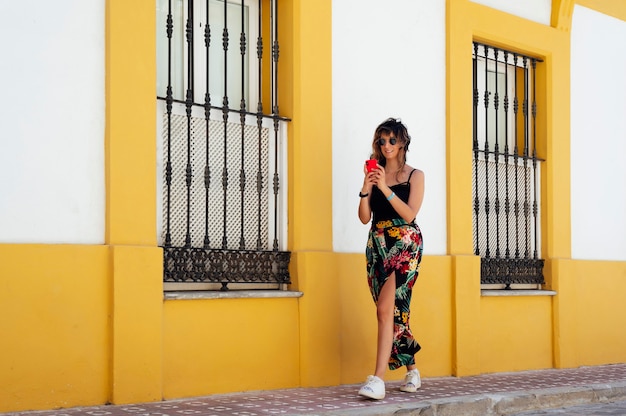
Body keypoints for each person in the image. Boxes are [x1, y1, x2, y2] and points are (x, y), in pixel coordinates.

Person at [357, 117, 425, 400]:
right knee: (394, 311)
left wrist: (385, 187)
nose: (386, 145)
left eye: (392, 140)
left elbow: (410, 215)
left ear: (403, 143)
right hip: (377, 244)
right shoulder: (376, 174)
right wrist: (366, 184)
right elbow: (363, 218)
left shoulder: (415, 176)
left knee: (384, 311)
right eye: (382, 140)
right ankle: (412, 370)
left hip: (405, 245)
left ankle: (377, 380)